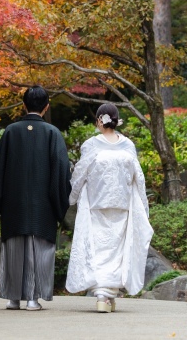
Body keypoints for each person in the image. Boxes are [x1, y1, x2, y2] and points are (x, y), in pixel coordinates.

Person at [0, 86, 72, 311]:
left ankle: (13, 298)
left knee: (14, 248)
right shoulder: (52, 133)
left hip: (13, 204)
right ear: (47, 106)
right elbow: (61, 172)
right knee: (39, 249)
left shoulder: (10, 132)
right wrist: (59, 203)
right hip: (43, 205)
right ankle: (33, 299)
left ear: (23, 105)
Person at [65, 103, 153, 313]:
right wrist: (143, 205)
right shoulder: (127, 145)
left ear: (99, 120)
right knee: (116, 251)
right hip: (122, 204)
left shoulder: (91, 145)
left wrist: (71, 197)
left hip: (97, 203)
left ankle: (103, 295)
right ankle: (107, 295)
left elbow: (80, 173)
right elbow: (138, 178)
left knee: (98, 250)